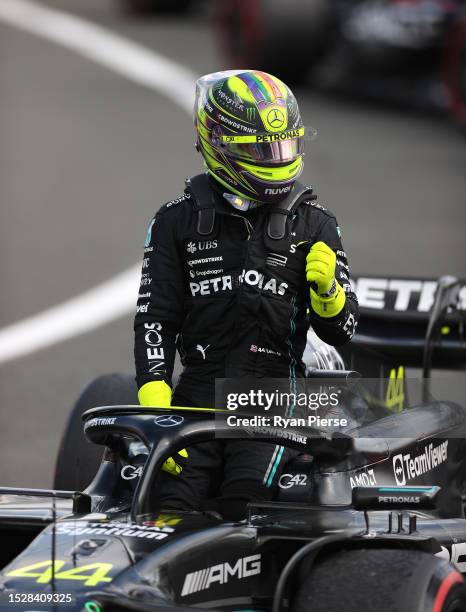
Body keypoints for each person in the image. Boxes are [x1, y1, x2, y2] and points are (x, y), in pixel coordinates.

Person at [134, 69, 359, 519]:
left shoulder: (316, 224)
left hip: (273, 403)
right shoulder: (175, 221)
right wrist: (154, 393)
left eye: (283, 146)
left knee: (245, 509)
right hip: (194, 399)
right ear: (219, 144)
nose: (276, 158)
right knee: (163, 511)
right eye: (261, 149)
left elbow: (344, 331)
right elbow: (155, 316)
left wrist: (329, 293)